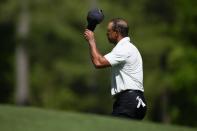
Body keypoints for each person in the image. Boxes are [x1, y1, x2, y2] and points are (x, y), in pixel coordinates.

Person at [84, 18, 147, 120]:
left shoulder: (124, 48)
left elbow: (98, 62)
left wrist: (91, 41)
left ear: (116, 33)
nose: (106, 34)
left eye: (108, 31)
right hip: (135, 100)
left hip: (129, 101)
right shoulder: (129, 47)